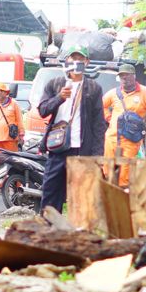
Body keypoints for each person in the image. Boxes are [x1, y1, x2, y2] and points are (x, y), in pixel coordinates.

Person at [35, 48, 105, 214]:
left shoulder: (93, 88)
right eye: (72, 58)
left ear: (86, 62)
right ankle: (49, 229)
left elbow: (99, 124)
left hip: (83, 149)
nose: (76, 62)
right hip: (58, 147)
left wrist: (97, 154)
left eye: (80, 59)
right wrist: (59, 97)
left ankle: (78, 231)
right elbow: (43, 110)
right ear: (67, 61)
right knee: (51, 191)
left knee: (81, 194)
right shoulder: (55, 84)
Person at [102, 62, 146, 186]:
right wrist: (109, 118)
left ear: (134, 76)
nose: (124, 78)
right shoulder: (113, 93)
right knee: (108, 173)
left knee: (124, 176)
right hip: (111, 140)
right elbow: (101, 106)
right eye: (122, 76)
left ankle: (125, 201)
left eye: (127, 75)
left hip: (130, 141)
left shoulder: (145, 93)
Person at [0, 82, 24, 161]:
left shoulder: (14, 104)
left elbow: (19, 120)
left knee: (11, 161)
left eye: (2, 91)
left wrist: (21, 134)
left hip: (10, 139)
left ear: (6, 93)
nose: (0, 93)